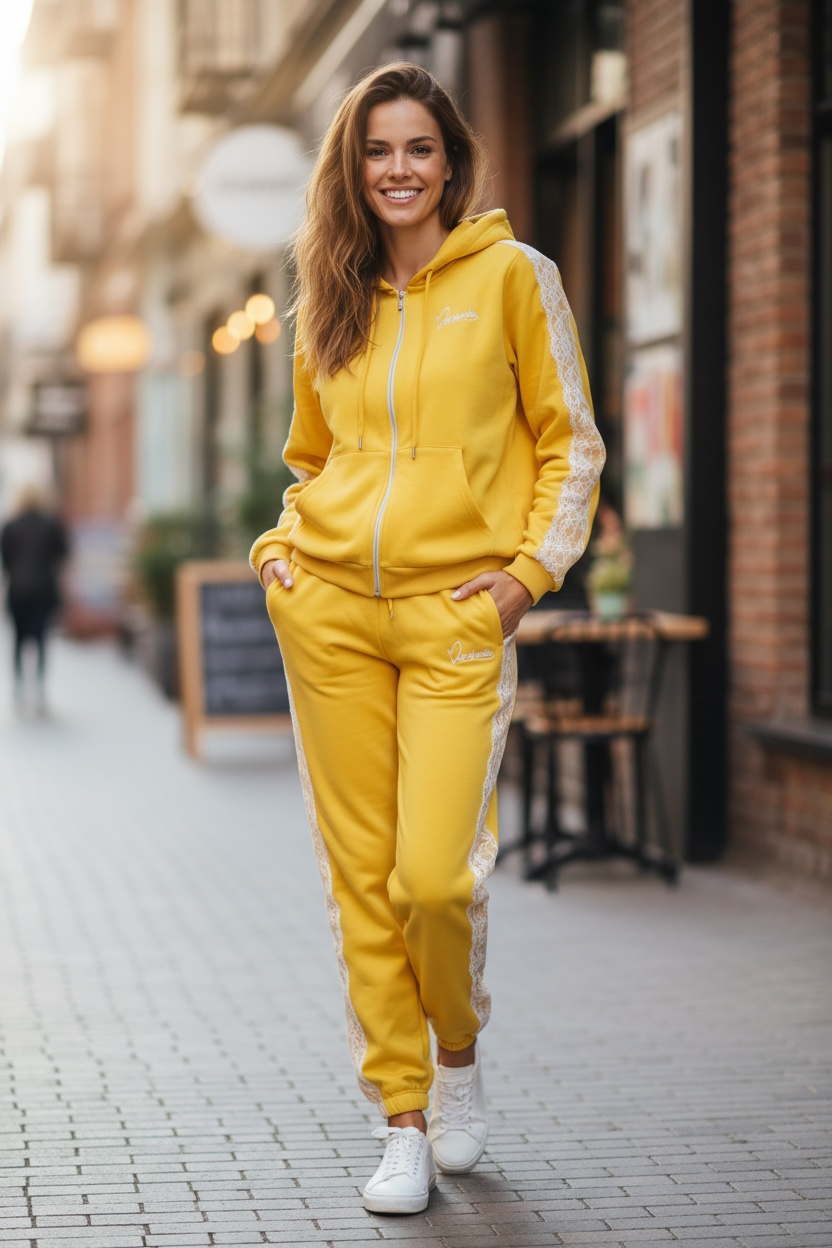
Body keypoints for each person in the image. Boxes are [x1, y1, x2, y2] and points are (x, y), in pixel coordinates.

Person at [250, 62, 605, 1214]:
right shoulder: (330, 297)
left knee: (431, 880)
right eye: (375, 151)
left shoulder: (512, 277)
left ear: (451, 160)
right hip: (332, 616)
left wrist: (521, 579)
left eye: (416, 148)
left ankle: (457, 1050)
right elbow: (311, 459)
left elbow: (572, 444)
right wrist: (280, 555)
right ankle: (400, 1113)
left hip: (457, 616)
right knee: (360, 880)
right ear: (350, 170)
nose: (397, 170)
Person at [1, 484, 69, 713]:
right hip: (44, 589)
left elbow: (5, 560)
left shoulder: (11, 526)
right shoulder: (51, 524)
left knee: (18, 640)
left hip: (18, 590)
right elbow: (63, 554)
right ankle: (39, 689)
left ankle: (19, 689)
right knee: (40, 639)